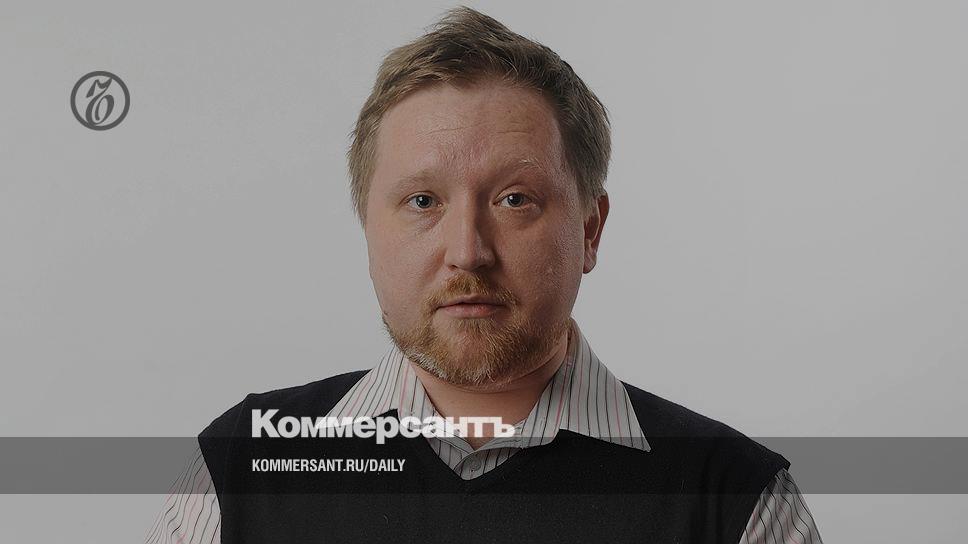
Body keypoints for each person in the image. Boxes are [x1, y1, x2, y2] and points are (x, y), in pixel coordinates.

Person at [145, 6, 822, 543]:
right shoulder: (240, 471)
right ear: (367, 229)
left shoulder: (736, 503)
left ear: (590, 230)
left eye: (514, 200)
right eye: (422, 202)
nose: (467, 251)